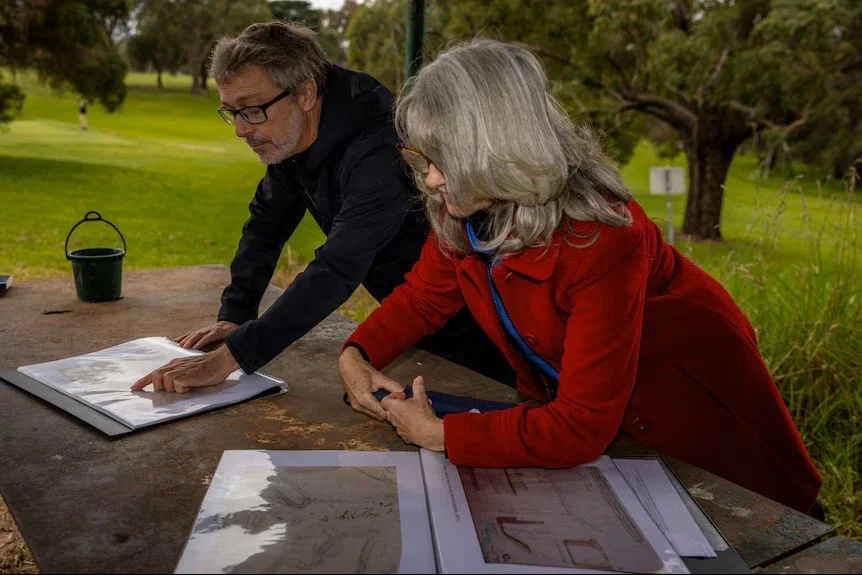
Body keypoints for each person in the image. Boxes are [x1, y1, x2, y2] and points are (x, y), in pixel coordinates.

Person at [339, 39, 821, 513]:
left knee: (747, 524)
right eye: (422, 159)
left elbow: (581, 427)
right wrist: (358, 354)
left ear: (499, 152)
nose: (430, 180)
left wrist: (440, 434)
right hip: (613, 427)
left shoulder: (604, 237)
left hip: (692, 405)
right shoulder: (465, 213)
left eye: (444, 161)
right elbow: (423, 299)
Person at [131, 22, 510, 395]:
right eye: (231, 111)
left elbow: (337, 267)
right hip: (411, 319)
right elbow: (266, 225)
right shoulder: (290, 130)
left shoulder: (380, 148)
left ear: (306, 94)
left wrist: (232, 357)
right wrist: (236, 315)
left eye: (251, 110)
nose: (240, 129)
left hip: (489, 324)